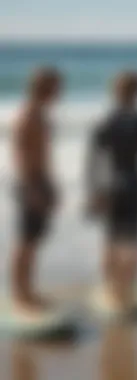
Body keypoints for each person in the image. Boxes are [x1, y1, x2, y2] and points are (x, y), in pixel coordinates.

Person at [86, 70, 137, 314]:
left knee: (110, 241)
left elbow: (93, 162)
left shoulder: (104, 121)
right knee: (133, 243)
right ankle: (127, 294)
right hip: (134, 184)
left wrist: (94, 192)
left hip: (110, 183)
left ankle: (112, 290)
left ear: (115, 91)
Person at [11, 67, 62, 317]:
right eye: (56, 87)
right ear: (45, 88)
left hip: (39, 181)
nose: (60, 92)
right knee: (25, 242)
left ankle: (28, 290)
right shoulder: (29, 116)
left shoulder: (40, 115)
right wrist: (32, 188)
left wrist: (51, 184)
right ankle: (20, 295)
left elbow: (44, 154)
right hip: (29, 182)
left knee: (33, 242)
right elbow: (20, 155)